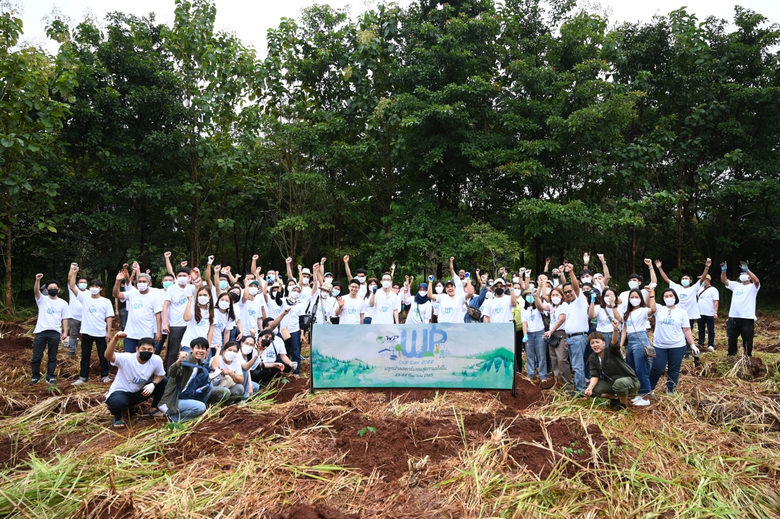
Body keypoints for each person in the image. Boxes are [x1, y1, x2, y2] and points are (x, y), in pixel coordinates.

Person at [158, 337, 230, 422]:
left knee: (216, 389)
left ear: (206, 351)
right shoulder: (185, 361)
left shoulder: (201, 364)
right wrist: (178, 361)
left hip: (188, 396)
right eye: (198, 348)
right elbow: (172, 373)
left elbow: (212, 370)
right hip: (173, 401)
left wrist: (218, 351)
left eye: (203, 349)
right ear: (191, 349)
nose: (200, 351)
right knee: (201, 407)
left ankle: (198, 411)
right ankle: (174, 418)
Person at [104, 333, 167, 427]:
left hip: (139, 393)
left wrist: (153, 384)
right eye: (143, 349)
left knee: (164, 381)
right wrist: (115, 340)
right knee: (117, 403)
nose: (146, 351)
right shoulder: (127, 358)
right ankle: (118, 417)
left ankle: (154, 409)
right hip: (121, 392)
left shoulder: (156, 360)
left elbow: (160, 375)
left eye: (149, 349)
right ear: (137, 349)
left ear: (154, 350)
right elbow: (108, 356)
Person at [650, 288, 698, 393]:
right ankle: (650, 389)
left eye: (671, 296)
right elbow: (648, 303)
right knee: (657, 367)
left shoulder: (682, 312)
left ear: (675, 297)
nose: (669, 298)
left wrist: (692, 345)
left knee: (674, 369)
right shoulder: (659, 309)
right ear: (663, 298)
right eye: (666, 296)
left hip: (677, 345)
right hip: (660, 345)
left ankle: (671, 389)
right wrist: (651, 291)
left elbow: (686, 329)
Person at [584, 323, 641, 411]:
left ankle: (623, 405)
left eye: (597, 342)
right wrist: (590, 388)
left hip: (630, 380)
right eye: (592, 343)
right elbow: (594, 375)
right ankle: (615, 398)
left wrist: (615, 329)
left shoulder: (611, 350)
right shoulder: (593, 357)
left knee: (619, 383)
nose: (595, 345)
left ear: (603, 343)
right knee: (594, 391)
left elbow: (614, 342)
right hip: (612, 382)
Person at [72, 271, 115, 385]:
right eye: (92, 286)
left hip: (100, 332)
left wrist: (109, 332)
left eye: (97, 286)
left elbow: (109, 317)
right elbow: (72, 286)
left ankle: (105, 376)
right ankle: (83, 377)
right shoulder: (84, 298)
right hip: (87, 332)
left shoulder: (106, 301)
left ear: (101, 288)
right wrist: (74, 273)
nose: (94, 288)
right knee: (85, 355)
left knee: (103, 355)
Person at [620, 284, 657, 406]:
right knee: (632, 368)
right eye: (632, 297)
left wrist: (651, 293)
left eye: (636, 297)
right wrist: (621, 345)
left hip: (640, 339)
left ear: (641, 298)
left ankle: (646, 396)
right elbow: (625, 329)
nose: (634, 299)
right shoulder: (628, 313)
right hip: (630, 341)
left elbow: (653, 309)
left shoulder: (643, 310)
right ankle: (640, 392)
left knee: (641, 368)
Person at [30, 274, 70, 385]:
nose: (53, 289)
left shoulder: (63, 303)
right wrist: (37, 280)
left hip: (55, 333)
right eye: (50, 288)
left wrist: (65, 331)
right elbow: (36, 291)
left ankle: (50, 376)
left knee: (52, 357)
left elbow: (65, 318)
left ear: (59, 289)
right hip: (41, 332)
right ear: (46, 290)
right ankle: (35, 377)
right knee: (36, 356)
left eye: (55, 288)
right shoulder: (42, 299)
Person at [112, 270, 162, 353]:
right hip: (130, 334)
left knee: (145, 357)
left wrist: (158, 332)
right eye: (139, 281)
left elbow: (158, 315)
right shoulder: (132, 294)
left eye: (144, 281)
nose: (141, 283)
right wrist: (117, 281)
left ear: (149, 283)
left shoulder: (154, 296)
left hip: (146, 334)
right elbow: (116, 294)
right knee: (129, 357)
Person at [559, 263, 590, 395]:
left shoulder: (580, 300)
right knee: (575, 365)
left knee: (578, 365)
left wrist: (571, 272)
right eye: (566, 292)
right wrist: (567, 338)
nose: (568, 293)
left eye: (570, 291)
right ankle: (579, 387)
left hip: (579, 337)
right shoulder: (570, 305)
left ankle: (580, 390)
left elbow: (576, 287)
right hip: (571, 338)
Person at [655, 258, 712, 329]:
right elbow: (666, 279)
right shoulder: (677, 287)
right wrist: (659, 268)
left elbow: (702, 279)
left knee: (688, 331)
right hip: (677, 315)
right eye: (683, 279)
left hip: (689, 316)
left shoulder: (693, 288)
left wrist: (707, 267)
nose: (684, 280)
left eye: (686, 278)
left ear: (690, 281)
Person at [721, 261, 760, 357]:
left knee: (747, 339)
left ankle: (747, 356)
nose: (742, 275)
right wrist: (723, 271)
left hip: (747, 318)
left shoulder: (753, 287)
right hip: (734, 317)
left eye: (745, 274)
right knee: (732, 337)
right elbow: (724, 281)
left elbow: (757, 281)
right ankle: (731, 355)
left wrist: (748, 270)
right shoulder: (736, 285)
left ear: (749, 277)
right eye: (741, 273)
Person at [537, 286, 573, 387]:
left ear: (561, 296)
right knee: (554, 358)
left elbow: (561, 319)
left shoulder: (564, 305)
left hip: (561, 333)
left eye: (557, 295)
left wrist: (551, 330)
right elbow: (541, 307)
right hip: (552, 335)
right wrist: (536, 297)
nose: (554, 297)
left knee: (561, 359)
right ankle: (558, 381)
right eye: (553, 295)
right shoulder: (552, 306)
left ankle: (567, 383)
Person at [162, 266, 196, 368]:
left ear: (189, 277)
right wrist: (165, 323)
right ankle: (171, 372)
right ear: (176, 277)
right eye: (180, 276)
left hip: (190, 324)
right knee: (173, 351)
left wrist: (196, 276)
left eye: (184, 275)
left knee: (191, 349)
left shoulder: (192, 288)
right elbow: (166, 306)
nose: (182, 277)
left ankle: (189, 371)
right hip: (175, 324)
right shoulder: (171, 289)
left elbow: (203, 289)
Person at [520, 288, 547, 382]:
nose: (529, 297)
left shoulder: (538, 308)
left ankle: (543, 375)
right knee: (530, 355)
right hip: (529, 333)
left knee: (541, 355)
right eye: (528, 295)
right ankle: (530, 374)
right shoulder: (523, 310)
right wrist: (525, 335)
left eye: (531, 295)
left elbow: (541, 308)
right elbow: (524, 322)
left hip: (540, 332)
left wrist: (536, 296)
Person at [66, 266, 87, 356]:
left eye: (85, 282)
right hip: (73, 316)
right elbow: (69, 279)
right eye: (81, 282)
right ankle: (72, 350)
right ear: (77, 284)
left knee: (85, 336)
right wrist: (72, 269)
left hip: (85, 318)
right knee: (73, 334)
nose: (83, 284)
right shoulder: (73, 290)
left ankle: (84, 351)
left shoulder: (90, 293)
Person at [696, 274, 719, 351]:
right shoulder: (700, 289)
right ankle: (701, 342)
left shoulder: (713, 290)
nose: (701, 281)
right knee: (701, 329)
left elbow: (716, 301)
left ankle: (711, 344)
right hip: (700, 312)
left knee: (710, 329)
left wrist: (715, 312)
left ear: (707, 280)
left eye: (703, 279)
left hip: (709, 312)